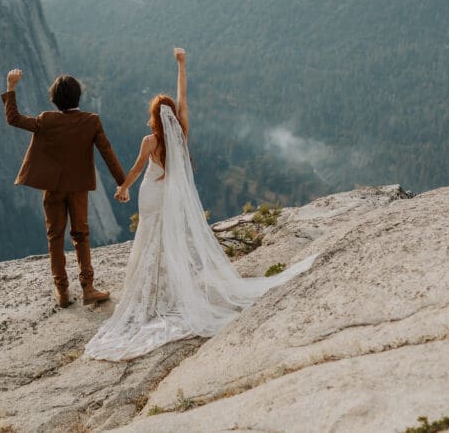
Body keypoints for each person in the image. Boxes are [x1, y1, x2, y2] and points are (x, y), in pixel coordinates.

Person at [84, 47, 316, 361]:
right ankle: (169, 287)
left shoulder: (148, 141)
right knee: (167, 239)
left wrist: (124, 187)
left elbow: (138, 168)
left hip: (151, 193)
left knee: (149, 236)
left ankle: (150, 290)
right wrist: (182, 64)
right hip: (170, 195)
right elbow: (183, 97)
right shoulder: (181, 132)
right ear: (171, 116)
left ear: (153, 117)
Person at [2, 69, 127, 308]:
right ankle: (88, 289)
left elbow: (14, 118)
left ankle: (62, 292)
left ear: (54, 99)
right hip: (78, 188)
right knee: (81, 236)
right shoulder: (91, 121)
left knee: (55, 237)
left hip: (53, 188)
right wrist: (123, 183)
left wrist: (11, 85)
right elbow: (107, 153)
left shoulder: (47, 120)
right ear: (78, 96)